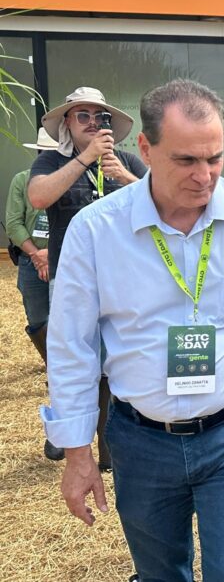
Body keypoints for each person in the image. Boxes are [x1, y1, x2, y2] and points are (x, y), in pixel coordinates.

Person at [40, 79, 224, 582]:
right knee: (160, 574)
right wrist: (77, 453)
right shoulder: (96, 232)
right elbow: (73, 347)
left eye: (215, 159)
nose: (205, 177)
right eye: (186, 161)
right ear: (145, 149)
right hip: (141, 442)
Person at [28, 86, 148, 472]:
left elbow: (163, 199)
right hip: (72, 280)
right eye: (84, 116)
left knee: (117, 360)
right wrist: (85, 159)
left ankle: (110, 441)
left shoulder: (126, 160)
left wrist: (127, 177)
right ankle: (66, 434)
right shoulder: (51, 161)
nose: (94, 123)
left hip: (123, 280)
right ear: (67, 122)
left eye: (101, 117)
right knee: (73, 357)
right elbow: (38, 198)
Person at [7, 128, 60, 459]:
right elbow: (13, 222)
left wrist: (51, 255)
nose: (46, 158)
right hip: (31, 260)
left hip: (63, 260)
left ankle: (58, 377)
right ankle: (54, 367)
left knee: (63, 326)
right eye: (42, 152)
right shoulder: (21, 180)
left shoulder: (74, 180)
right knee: (37, 321)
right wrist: (35, 254)